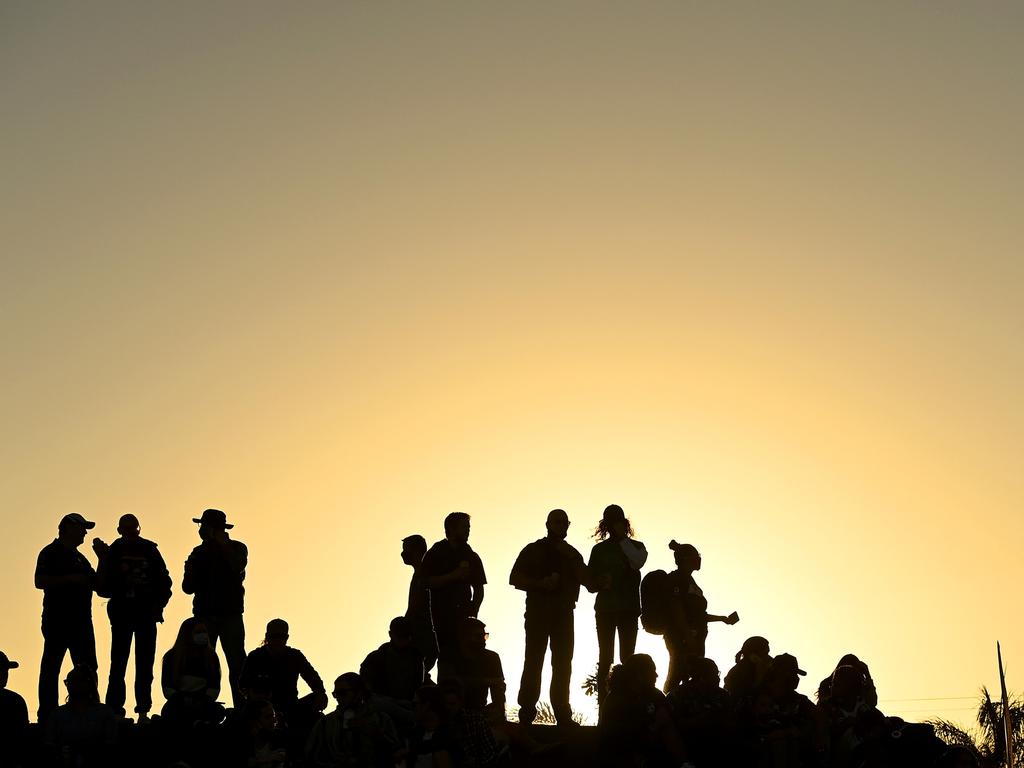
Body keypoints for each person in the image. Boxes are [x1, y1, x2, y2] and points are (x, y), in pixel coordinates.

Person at [508, 508, 587, 726]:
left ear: (568, 525)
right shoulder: (534, 550)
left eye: (564, 522)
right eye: (556, 522)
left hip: (563, 615)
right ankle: (526, 712)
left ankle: (562, 713)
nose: (560, 526)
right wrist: (540, 584)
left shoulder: (572, 554)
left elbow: (588, 581)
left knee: (563, 664)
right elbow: (514, 578)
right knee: (534, 660)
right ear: (548, 524)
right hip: (538, 613)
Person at [93, 513, 172, 721]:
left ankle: (143, 710)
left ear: (139, 529)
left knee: (144, 664)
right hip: (122, 616)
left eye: (133, 528)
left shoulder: (150, 550)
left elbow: (165, 583)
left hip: (146, 615)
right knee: (118, 663)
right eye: (125, 529)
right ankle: (115, 710)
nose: (129, 532)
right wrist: (102, 559)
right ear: (119, 530)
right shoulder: (113, 552)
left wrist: (157, 606)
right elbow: (101, 588)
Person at [35, 512, 101, 723]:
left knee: (88, 667)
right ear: (68, 528)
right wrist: (70, 579)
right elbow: (40, 581)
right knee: (51, 666)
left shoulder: (81, 559)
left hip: (82, 621)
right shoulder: (50, 552)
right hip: (57, 619)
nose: (84, 533)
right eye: (82, 528)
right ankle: (47, 713)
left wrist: (102, 558)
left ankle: (89, 711)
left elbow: (99, 586)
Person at [182, 508, 248, 706]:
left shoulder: (237, 548)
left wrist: (220, 543)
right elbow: (187, 587)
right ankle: (203, 707)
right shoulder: (199, 552)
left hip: (230, 615)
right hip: (205, 615)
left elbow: (237, 566)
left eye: (203, 526)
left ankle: (242, 708)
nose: (200, 530)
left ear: (210, 528)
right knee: (204, 664)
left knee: (237, 664)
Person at [586, 504, 647, 708]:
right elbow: (590, 583)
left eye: (619, 522)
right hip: (605, 609)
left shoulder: (637, 547)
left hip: (629, 610)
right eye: (612, 523)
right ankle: (604, 708)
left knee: (628, 658)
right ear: (606, 525)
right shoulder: (599, 550)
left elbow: (638, 562)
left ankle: (628, 706)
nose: (616, 526)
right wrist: (600, 582)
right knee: (605, 659)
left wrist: (623, 540)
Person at [661, 541, 738, 692]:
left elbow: (698, 615)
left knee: (694, 674)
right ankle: (668, 704)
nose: (699, 559)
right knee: (677, 673)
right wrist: (687, 634)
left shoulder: (691, 582)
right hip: (681, 637)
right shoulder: (677, 579)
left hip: (695, 637)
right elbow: (676, 609)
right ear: (685, 560)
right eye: (696, 556)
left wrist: (722, 619)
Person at [598, 654, 692, 768]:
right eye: (653, 671)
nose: (656, 675)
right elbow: (620, 741)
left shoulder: (655, 695)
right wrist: (655, 725)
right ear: (639, 675)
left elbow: (668, 724)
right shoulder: (616, 700)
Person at [240, 618, 328, 732]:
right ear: (267, 636)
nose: (277, 640)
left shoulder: (295, 656)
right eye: (274, 636)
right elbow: (242, 684)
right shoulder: (255, 657)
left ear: (286, 638)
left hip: (290, 706)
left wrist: (320, 692)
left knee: (316, 700)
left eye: (281, 637)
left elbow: (312, 677)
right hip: (262, 708)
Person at [421, 513, 486, 663]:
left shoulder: (471, 556)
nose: (468, 530)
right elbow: (425, 582)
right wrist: (453, 576)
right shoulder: (436, 553)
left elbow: (479, 588)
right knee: (446, 655)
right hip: (441, 616)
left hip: (465, 616)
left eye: (468, 527)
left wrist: (474, 610)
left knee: (467, 656)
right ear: (451, 528)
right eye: (464, 527)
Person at [305, 672, 400, 768]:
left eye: (342, 693)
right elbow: (311, 758)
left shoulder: (381, 720)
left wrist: (377, 736)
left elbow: (397, 754)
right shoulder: (325, 723)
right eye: (335, 694)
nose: (337, 697)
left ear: (359, 693)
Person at [360, 616, 425, 735]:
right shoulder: (375, 658)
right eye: (399, 636)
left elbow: (419, 685)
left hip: (409, 704)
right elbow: (366, 688)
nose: (402, 640)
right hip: (383, 704)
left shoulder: (416, 657)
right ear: (391, 634)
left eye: (406, 636)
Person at [43, 666, 118, 768]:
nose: (71, 686)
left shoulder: (104, 713)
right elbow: (49, 744)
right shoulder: (57, 714)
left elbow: (110, 746)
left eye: (76, 681)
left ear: (89, 683)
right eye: (69, 682)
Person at [160, 616, 224, 728]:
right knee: (170, 711)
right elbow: (167, 687)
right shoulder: (171, 656)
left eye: (204, 631)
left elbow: (214, 687)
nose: (203, 635)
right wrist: (183, 700)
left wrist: (201, 701)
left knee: (218, 711)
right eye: (198, 632)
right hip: (179, 703)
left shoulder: (211, 657)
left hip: (203, 703)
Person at [440, 618, 505, 713]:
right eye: (478, 636)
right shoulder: (448, 656)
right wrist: (487, 681)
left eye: (485, 636)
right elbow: (448, 684)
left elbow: (499, 690)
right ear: (464, 637)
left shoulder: (492, 658)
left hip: (479, 712)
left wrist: (498, 713)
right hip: (450, 712)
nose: (483, 640)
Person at [401, 534, 438, 675]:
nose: (403, 554)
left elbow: (420, 603)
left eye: (406, 550)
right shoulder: (418, 573)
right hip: (416, 627)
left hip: (425, 627)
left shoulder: (426, 572)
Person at [0, 651, 29, 767]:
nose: (6, 674)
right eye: (2, 670)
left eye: (6, 670)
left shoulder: (15, 700)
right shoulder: (15, 700)